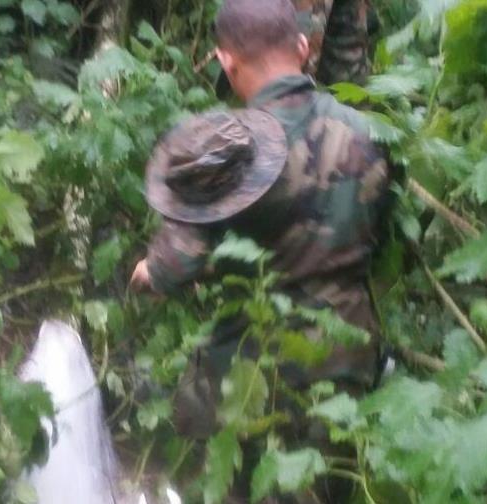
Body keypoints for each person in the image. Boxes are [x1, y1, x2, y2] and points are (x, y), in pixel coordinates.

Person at [129, 0, 394, 501]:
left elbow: (175, 267)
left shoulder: (229, 148)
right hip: (347, 360)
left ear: (226, 62)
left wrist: (147, 272)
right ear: (303, 46)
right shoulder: (369, 131)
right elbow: (382, 237)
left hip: (256, 369)